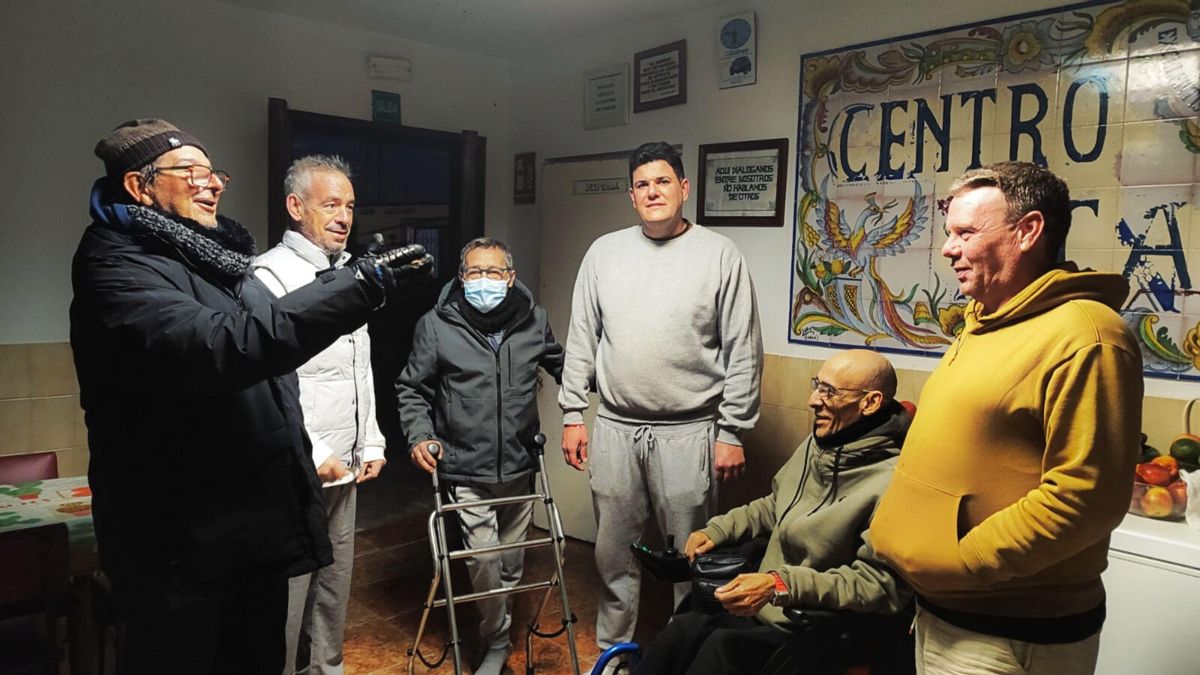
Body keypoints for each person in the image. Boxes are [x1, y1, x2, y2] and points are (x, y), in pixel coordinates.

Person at [71, 119, 420, 675]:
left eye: (214, 173)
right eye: (191, 173)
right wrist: (354, 288)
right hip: (180, 543)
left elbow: (275, 364)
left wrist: (350, 284)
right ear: (139, 186)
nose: (212, 184)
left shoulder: (218, 262)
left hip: (247, 528)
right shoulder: (118, 265)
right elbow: (225, 346)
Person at [871, 161, 1143, 675]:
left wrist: (962, 562)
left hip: (1008, 634)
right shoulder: (984, 322)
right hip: (943, 612)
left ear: (1028, 231)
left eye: (966, 233)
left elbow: (1086, 499)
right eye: (950, 234)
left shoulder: (1088, 336)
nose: (949, 249)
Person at [558, 141, 764, 655]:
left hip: (690, 432)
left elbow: (744, 349)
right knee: (613, 556)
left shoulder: (719, 255)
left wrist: (732, 431)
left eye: (663, 181)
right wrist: (572, 414)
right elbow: (581, 336)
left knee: (692, 558)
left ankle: (682, 656)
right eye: (643, 184)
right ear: (632, 196)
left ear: (683, 188)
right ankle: (615, 656)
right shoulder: (604, 252)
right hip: (615, 428)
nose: (653, 192)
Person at [632, 350, 913, 675]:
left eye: (829, 391)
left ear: (871, 402)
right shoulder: (820, 444)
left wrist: (779, 585)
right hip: (764, 605)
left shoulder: (891, 482)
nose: (813, 400)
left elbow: (880, 585)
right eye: (816, 385)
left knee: (720, 651)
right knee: (681, 631)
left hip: (811, 623)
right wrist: (717, 530)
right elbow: (774, 505)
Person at [397, 237, 563, 675]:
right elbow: (412, 388)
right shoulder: (436, 325)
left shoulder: (535, 320)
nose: (484, 281)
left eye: (494, 273)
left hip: (519, 464)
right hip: (464, 465)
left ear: (510, 278)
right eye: (475, 272)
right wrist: (419, 435)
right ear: (461, 277)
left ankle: (498, 627)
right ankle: (497, 639)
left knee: (511, 563)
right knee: (483, 560)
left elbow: (563, 364)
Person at [252, 155, 387, 675]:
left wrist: (369, 441)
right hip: (297, 469)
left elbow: (359, 368)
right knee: (288, 600)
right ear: (295, 206)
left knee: (334, 589)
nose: (343, 216)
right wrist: (315, 452)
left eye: (350, 206)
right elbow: (269, 380)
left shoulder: (349, 274)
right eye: (331, 204)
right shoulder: (269, 275)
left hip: (345, 467)